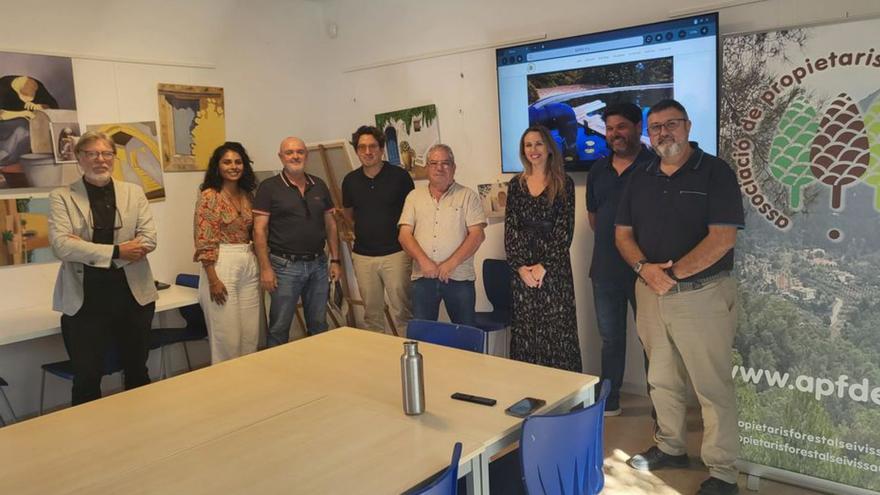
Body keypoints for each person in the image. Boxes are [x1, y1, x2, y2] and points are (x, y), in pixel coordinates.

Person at [616, 99, 744, 495]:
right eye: (655, 127)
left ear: (687, 125)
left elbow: (723, 237)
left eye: (671, 124)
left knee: (711, 385)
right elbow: (622, 234)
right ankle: (670, 447)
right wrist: (644, 270)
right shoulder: (640, 176)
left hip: (701, 295)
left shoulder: (715, 172)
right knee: (662, 378)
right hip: (650, 292)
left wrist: (669, 274)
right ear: (648, 134)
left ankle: (723, 471)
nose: (662, 132)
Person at [48, 131, 157, 405]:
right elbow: (62, 246)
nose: (100, 160)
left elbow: (149, 239)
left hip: (133, 297)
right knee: (87, 378)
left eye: (106, 153)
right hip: (85, 301)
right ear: (79, 158)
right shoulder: (62, 196)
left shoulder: (133, 192)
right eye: (92, 154)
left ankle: (143, 429)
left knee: (137, 371)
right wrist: (119, 251)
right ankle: (90, 444)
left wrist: (83, 247)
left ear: (114, 158)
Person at [586, 103, 656, 416]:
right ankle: (610, 400)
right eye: (610, 128)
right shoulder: (597, 170)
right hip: (604, 269)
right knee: (610, 339)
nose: (615, 134)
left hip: (647, 271)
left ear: (637, 127)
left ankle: (661, 408)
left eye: (621, 127)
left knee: (652, 342)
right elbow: (594, 218)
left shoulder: (655, 166)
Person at [505, 125, 580, 372]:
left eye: (538, 144)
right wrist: (520, 269)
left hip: (554, 270)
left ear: (548, 148)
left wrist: (543, 266)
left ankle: (564, 396)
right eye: (528, 145)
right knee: (527, 330)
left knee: (557, 331)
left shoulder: (563, 183)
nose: (533, 150)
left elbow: (564, 231)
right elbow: (511, 229)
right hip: (523, 272)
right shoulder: (515, 185)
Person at [254, 136, 341, 347]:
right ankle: (279, 376)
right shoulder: (268, 187)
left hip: (318, 265)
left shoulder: (318, 185)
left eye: (300, 152)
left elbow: (330, 224)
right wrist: (265, 268)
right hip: (284, 267)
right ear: (281, 157)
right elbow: (259, 230)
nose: (295, 156)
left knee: (319, 324)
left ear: (306, 155)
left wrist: (335, 260)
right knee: (279, 327)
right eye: (289, 152)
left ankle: (316, 370)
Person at [398, 144, 485, 326]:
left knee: (464, 334)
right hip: (423, 278)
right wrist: (423, 261)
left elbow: (477, 235)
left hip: (459, 278)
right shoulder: (413, 197)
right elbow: (404, 235)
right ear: (427, 167)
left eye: (445, 163)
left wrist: (450, 264)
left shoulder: (467, 196)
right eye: (434, 163)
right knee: (424, 336)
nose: (439, 168)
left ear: (454, 167)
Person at [342, 126, 414, 333]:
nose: (367, 151)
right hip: (363, 256)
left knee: (402, 312)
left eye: (372, 146)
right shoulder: (350, 180)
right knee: (372, 315)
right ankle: (379, 361)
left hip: (397, 254)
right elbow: (348, 214)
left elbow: (412, 214)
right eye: (362, 147)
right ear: (356, 151)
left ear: (381, 149)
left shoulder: (400, 177)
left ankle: (408, 359)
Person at [193, 142, 260, 363]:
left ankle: (248, 387)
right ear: (218, 166)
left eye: (238, 162)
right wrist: (213, 279)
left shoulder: (247, 194)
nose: (233, 166)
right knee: (227, 339)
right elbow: (204, 239)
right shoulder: (210, 195)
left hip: (248, 261)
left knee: (250, 335)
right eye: (227, 162)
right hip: (221, 264)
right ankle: (226, 389)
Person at [0, 75, 59, 166]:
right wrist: (23, 113)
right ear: (18, 91)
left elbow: (54, 107)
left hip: (30, 127)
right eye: (25, 98)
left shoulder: (36, 84)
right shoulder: (3, 86)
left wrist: (40, 107)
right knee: (22, 127)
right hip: (5, 126)